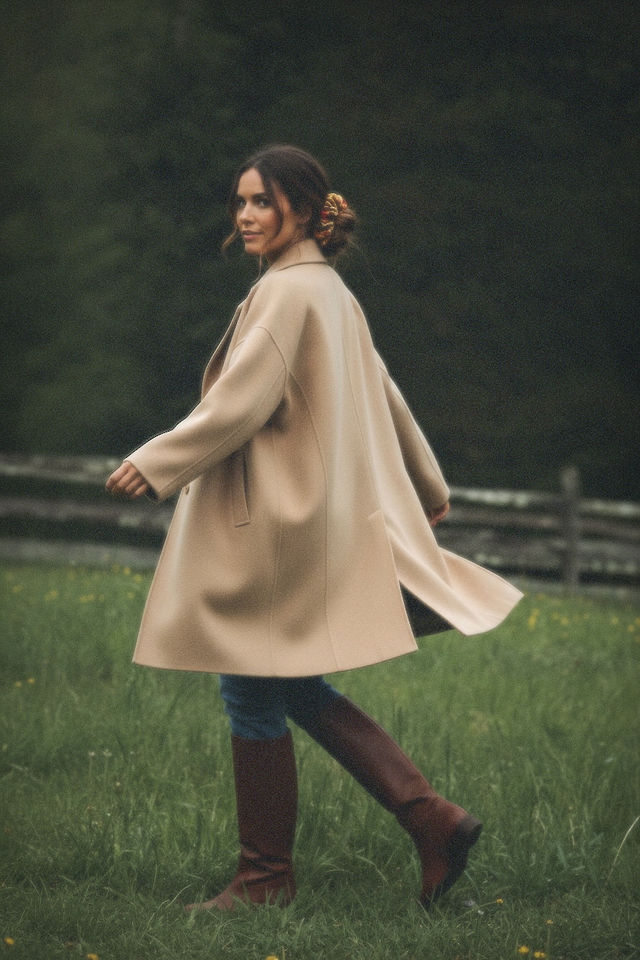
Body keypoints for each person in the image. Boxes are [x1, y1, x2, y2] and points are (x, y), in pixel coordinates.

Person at [106, 144, 522, 912]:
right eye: (239, 203)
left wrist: (157, 461)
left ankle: (266, 880)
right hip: (309, 519)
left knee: (251, 688)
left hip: (277, 523)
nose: (245, 216)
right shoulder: (328, 290)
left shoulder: (288, 294)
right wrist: (429, 480)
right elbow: (386, 388)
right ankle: (429, 820)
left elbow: (240, 402)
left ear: (302, 206)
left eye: (261, 202)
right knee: (284, 681)